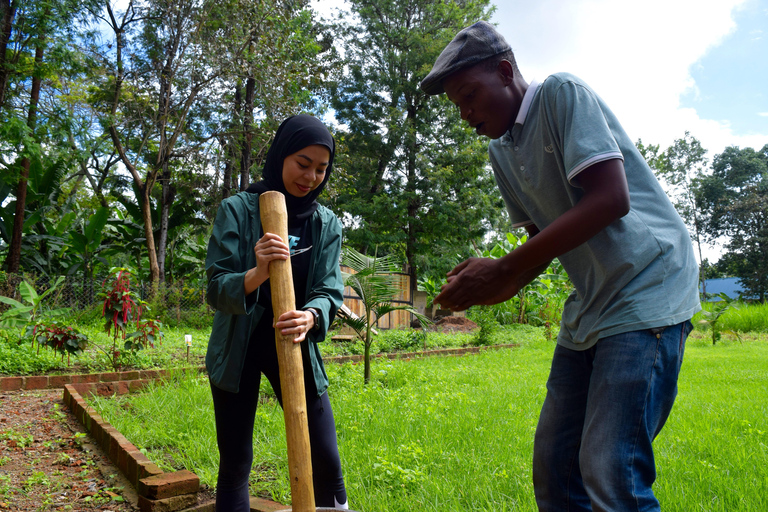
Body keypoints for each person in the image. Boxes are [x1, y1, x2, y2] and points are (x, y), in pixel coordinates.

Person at [421, 21, 701, 512]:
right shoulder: (500, 151)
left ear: (506, 72)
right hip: (590, 305)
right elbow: (541, 244)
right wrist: (496, 282)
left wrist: (504, 267)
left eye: (469, 96)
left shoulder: (561, 94)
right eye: (456, 105)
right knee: (556, 468)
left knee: (610, 469)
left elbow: (611, 198)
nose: (465, 114)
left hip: (647, 287)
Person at [205, 114, 349, 511]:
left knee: (325, 456)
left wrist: (312, 315)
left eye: (321, 168)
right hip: (238, 347)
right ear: (281, 156)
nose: (311, 177)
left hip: (293, 338)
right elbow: (216, 287)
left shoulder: (326, 224)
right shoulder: (237, 210)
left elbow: (329, 289)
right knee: (236, 461)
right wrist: (256, 273)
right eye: (302, 164)